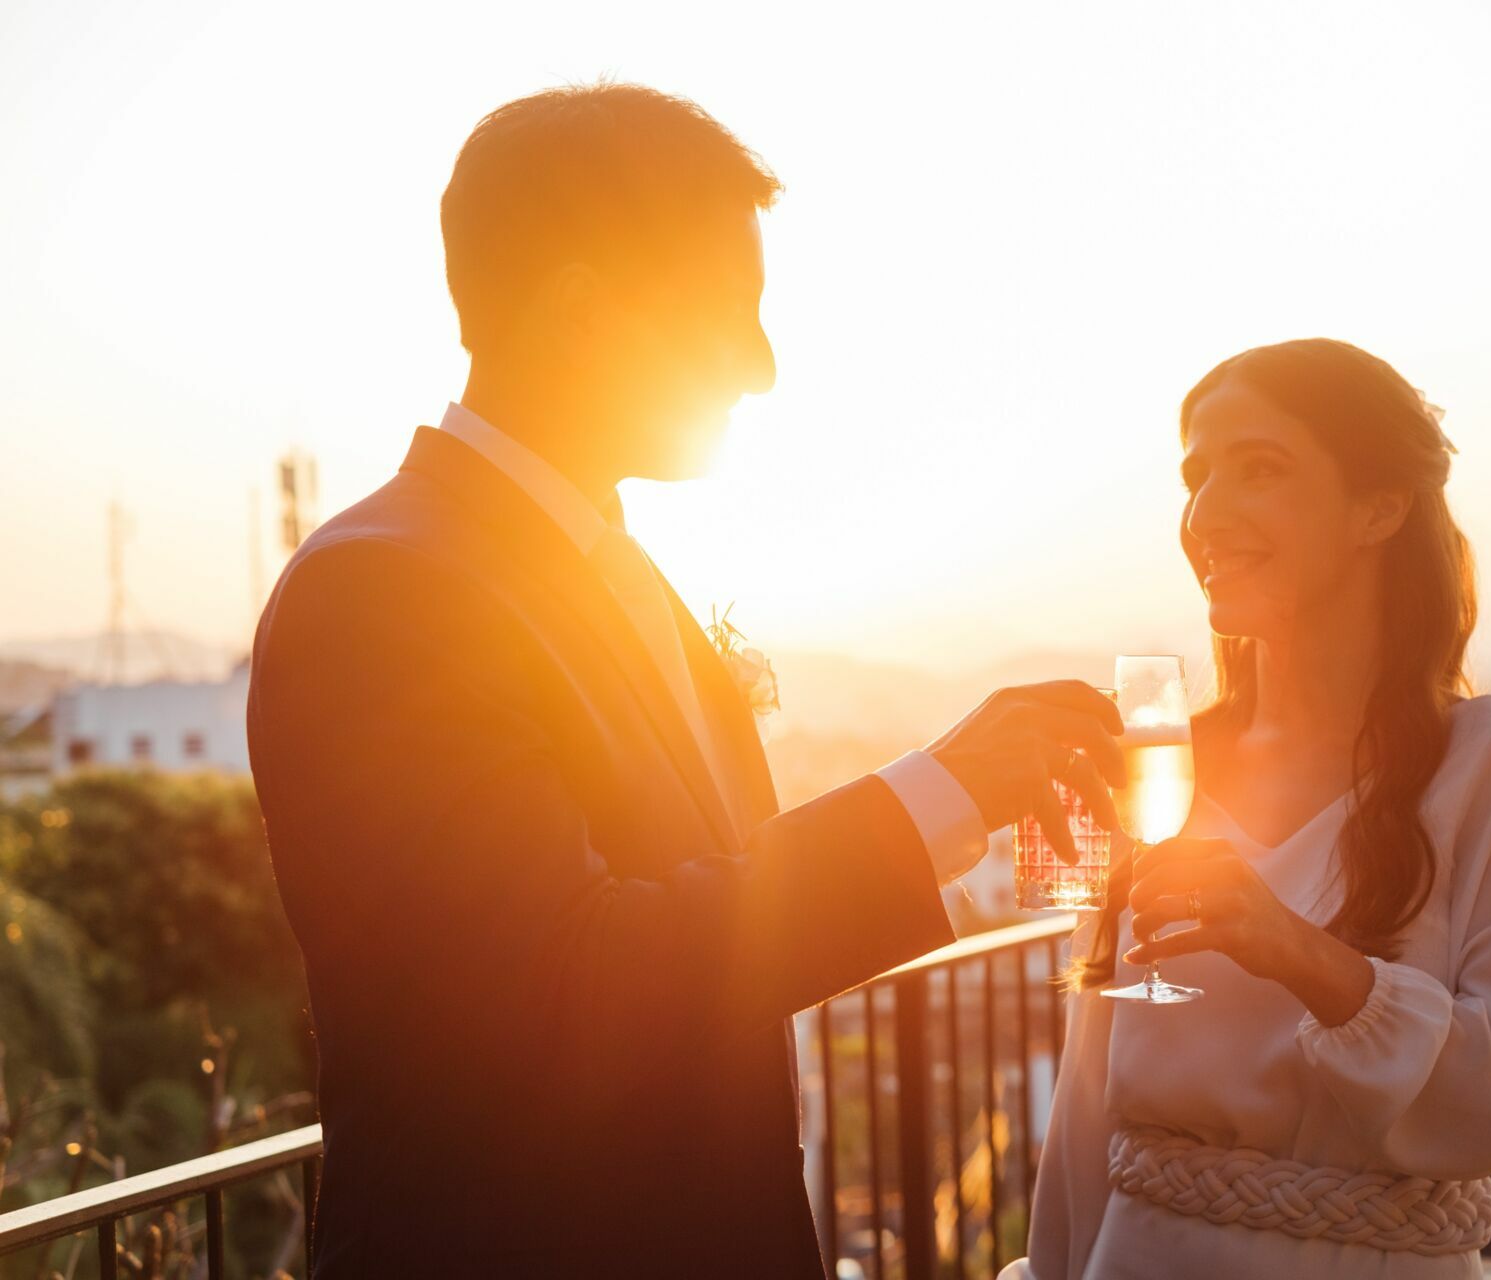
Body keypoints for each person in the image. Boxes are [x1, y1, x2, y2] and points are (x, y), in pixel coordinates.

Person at [247, 81, 1122, 1277]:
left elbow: (719, 909)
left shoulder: (608, 568)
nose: (761, 367)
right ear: (581, 314)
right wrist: (938, 796)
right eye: (731, 309)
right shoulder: (388, 592)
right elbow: (563, 987)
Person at [1005, 338, 1491, 1279]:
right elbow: (1085, 1097)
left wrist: (1303, 956)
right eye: (1195, 478)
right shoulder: (1147, 769)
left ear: (1379, 506)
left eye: (1259, 470)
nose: (1204, 515)